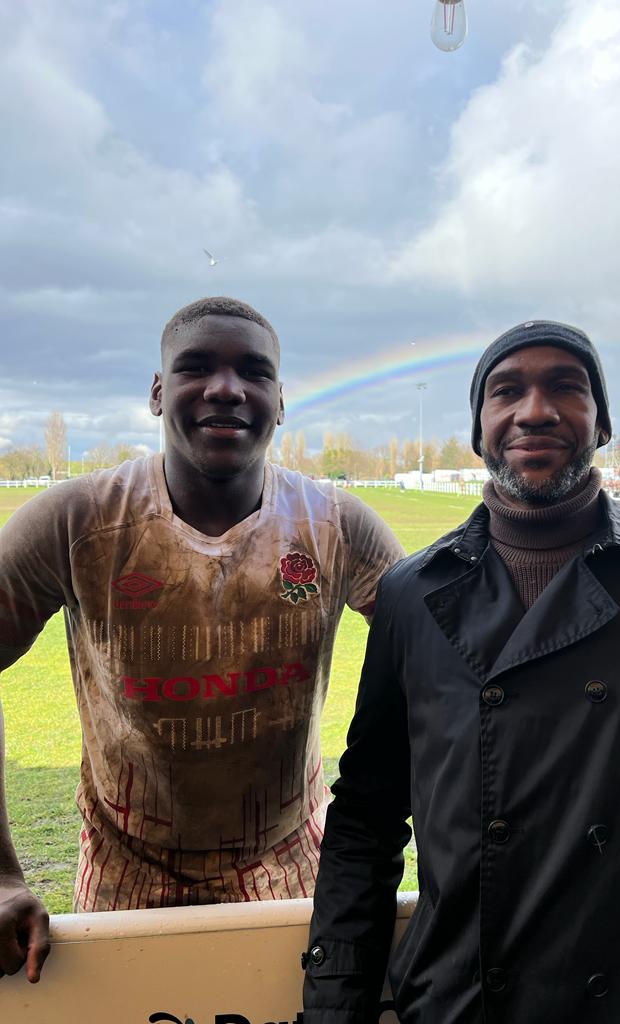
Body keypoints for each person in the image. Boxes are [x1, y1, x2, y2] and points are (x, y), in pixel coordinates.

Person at [303, 320, 620, 1024]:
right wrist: (336, 1007)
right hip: (464, 1005)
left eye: (565, 386)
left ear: (602, 422)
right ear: (479, 430)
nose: (535, 410)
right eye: (507, 390)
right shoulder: (411, 594)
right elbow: (365, 821)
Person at [0, 296, 403, 982]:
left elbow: (453, 665)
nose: (225, 387)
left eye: (253, 370)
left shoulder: (337, 525)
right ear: (159, 393)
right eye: (196, 368)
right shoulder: (75, 521)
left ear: (280, 400)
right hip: (126, 870)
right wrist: (2, 875)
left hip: (291, 861)